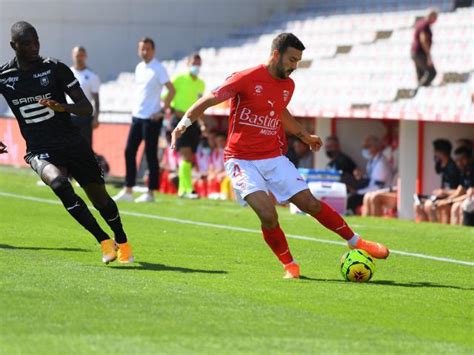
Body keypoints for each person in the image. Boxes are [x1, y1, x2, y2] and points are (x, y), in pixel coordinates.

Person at [171, 33, 389, 279]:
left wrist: (304, 136)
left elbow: (279, 111)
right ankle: (290, 265)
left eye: (298, 61)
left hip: (273, 157)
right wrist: (184, 123)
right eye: (292, 59)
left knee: (311, 204)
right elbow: (210, 98)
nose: (294, 66)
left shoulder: (288, 86)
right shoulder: (245, 77)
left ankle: (355, 241)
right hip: (241, 160)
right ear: (276, 54)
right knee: (268, 214)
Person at [0, 21, 133, 263]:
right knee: (59, 184)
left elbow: (86, 108)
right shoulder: (5, 76)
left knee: (100, 199)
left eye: (36, 41)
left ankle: (122, 240)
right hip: (39, 149)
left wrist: (62, 107)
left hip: (73, 144)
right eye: (27, 43)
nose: (34, 47)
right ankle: (104, 241)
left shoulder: (55, 69)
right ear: (13, 46)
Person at [114, 37, 175, 203]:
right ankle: (128, 190)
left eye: (148, 49)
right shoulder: (139, 67)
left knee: (150, 154)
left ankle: (150, 193)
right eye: (142, 48)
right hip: (137, 116)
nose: (145, 52)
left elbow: (171, 90)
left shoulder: (159, 68)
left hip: (151, 118)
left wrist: (162, 111)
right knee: (129, 151)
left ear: (153, 50)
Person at [167, 53, 205, 199]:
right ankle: (188, 189)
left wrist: (202, 123)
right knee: (186, 154)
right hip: (179, 120)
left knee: (189, 157)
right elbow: (167, 96)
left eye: (198, 63)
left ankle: (182, 189)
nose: (196, 66)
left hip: (193, 123)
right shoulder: (178, 79)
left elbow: (200, 104)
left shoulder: (201, 83)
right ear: (188, 64)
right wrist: (169, 109)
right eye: (193, 63)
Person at [414, 139, 461, 222]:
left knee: (429, 206)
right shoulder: (442, 164)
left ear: (440, 152)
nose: (434, 153)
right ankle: (424, 229)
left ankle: (435, 229)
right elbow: (438, 170)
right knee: (417, 205)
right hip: (442, 195)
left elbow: (458, 190)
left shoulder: (453, 167)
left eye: (435, 151)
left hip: (451, 197)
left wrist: (444, 192)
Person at [346, 135, 392, 214]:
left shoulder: (381, 164)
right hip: (369, 190)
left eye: (368, 146)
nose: (365, 149)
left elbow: (376, 187)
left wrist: (358, 191)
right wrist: (361, 176)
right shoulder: (372, 161)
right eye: (364, 147)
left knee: (352, 199)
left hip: (380, 192)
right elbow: (369, 178)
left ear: (376, 147)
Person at [69, 46, 100, 148]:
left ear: (85, 56)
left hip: (85, 116)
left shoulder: (92, 76)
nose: (79, 58)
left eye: (81, 55)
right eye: (77, 55)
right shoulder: (67, 73)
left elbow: (96, 98)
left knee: (86, 146)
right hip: (70, 115)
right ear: (73, 56)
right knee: (70, 145)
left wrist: (96, 117)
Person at [435, 146, 473, 224]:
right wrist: (445, 201)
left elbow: (470, 194)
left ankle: (461, 234)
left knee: (456, 207)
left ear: (469, 159)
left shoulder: (472, 171)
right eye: (457, 160)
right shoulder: (463, 172)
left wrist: (448, 200)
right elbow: (460, 191)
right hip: (467, 198)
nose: (459, 163)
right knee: (442, 205)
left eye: (462, 159)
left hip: (470, 200)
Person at [411, 9, 438, 88]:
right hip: (420, 53)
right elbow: (423, 40)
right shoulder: (425, 25)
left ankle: (419, 91)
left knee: (421, 74)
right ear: (432, 17)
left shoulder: (420, 22)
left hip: (414, 51)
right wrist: (428, 55)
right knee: (432, 73)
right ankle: (419, 88)